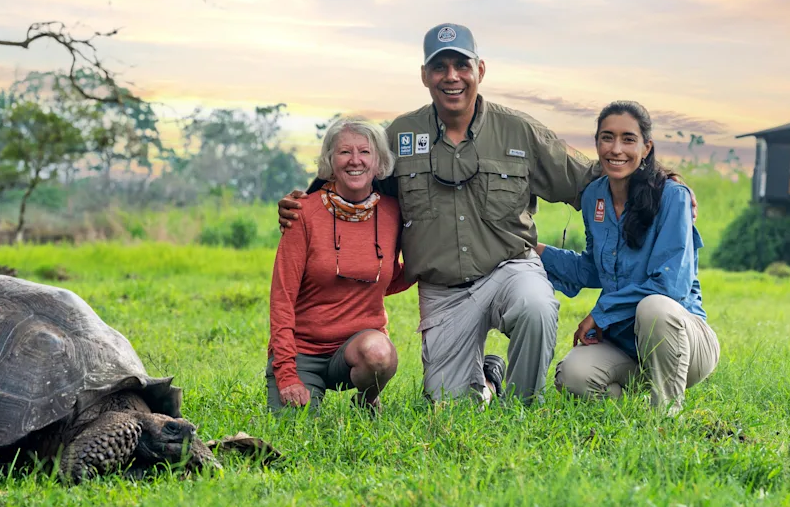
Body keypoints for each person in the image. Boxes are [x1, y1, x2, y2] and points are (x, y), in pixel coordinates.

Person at [280, 23, 612, 405]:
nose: (451, 76)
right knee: (449, 406)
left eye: (461, 65)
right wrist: (301, 204)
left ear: (480, 70)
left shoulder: (519, 131)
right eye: (440, 67)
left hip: (509, 268)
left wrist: (655, 179)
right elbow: (351, 176)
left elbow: (589, 183)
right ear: (425, 76)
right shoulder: (402, 135)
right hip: (443, 292)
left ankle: (521, 408)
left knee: (536, 305)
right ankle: (488, 378)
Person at [538, 101, 719, 414]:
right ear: (596, 143)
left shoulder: (673, 197)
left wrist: (601, 313)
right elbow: (593, 269)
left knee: (655, 307)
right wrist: (538, 252)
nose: (616, 149)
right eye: (607, 138)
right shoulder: (595, 195)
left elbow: (670, 287)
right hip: (627, 345)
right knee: (573, 376)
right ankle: (627, 413)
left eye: (628, 139)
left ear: (646, 147)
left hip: (684, 342)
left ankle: (664, 417)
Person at [267, 118, 413, 414]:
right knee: (295, 435)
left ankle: (366, 399)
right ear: (330, 162)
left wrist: (423, 267)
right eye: (345, 152)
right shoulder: (301, 212)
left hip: (355, 350)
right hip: (302, 353)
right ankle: (300, 382)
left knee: (379, 353)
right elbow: (282, 298)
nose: (355, 161)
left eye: (365, 152)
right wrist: (286, 373)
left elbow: (390, 277)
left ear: (379, 163)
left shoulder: (393, 212)